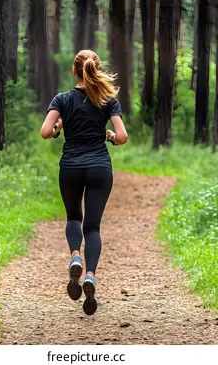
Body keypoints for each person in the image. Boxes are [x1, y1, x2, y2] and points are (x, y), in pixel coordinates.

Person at [40, 50, 128, 315]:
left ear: (73, 71)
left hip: (71, 167)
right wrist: (110, 136)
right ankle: (89, 275)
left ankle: (75, 256)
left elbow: (46, 132)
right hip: (100, 167)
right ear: (96, 69)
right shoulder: (107, 99)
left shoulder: (62, 99)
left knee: (73, 218)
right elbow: (122, 137)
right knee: (93, 227)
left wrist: (58, 130)